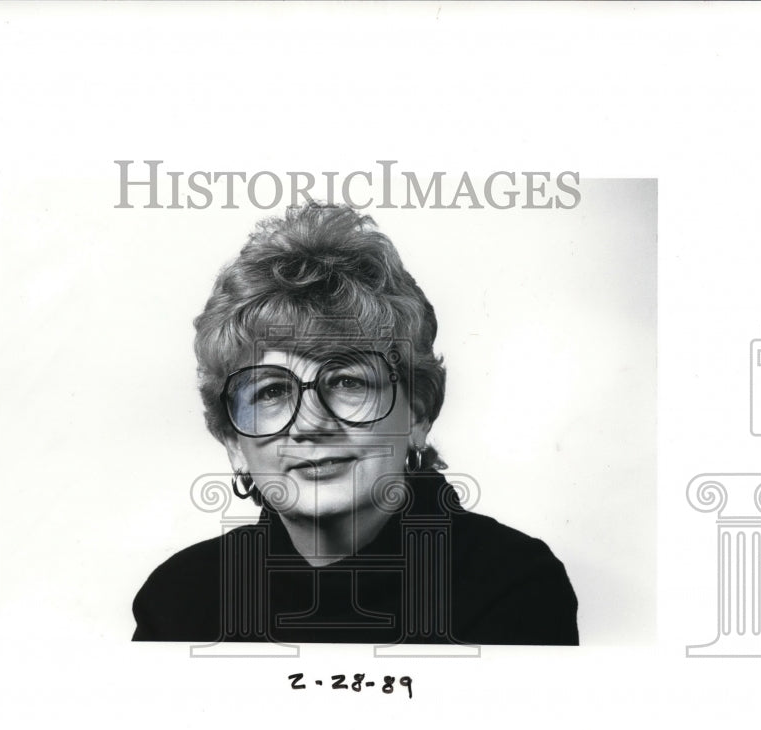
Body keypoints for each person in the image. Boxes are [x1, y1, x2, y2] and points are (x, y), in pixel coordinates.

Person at [132, 203, 578, 644]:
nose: (310, 423)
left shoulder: (514, 585)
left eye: (347, 381)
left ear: (418, 413)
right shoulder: (178, 598)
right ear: (232, 441)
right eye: (270, 391)